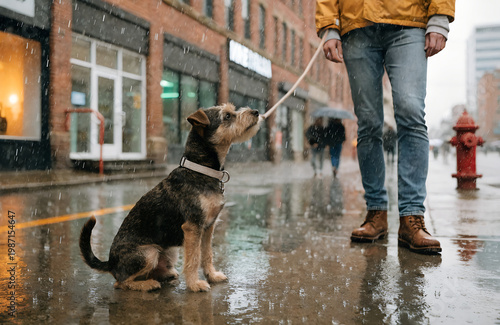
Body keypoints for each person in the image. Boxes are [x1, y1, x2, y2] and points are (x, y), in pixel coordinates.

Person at [316, 0, 455, 254]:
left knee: (411, 113)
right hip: (356, 24)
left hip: (408, 21)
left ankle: (411, 217)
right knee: (368, 123)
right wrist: (329, 25)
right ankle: (376, 213)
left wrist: (439, 16)